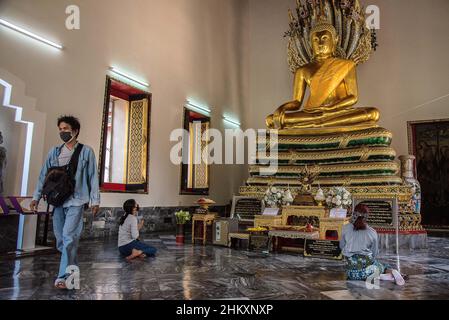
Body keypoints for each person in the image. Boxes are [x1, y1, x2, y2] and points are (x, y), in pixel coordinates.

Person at [30, 115, 100, 289]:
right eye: (60, 129)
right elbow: (43, 176)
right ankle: (73, 274)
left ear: (75, 131)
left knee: (69, 238)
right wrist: (35, 197)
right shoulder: (54, 152)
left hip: (76, 200)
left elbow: (93, 177)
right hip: (57, 201)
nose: (62, 132)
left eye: (66, 129)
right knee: (62, 241)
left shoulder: (86, 151)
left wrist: (95, 200)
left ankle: (64, 277)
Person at [340, 204, 406, 286]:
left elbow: (341, 246)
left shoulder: (345, 228)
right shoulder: (372, 232)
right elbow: (374, 253)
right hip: (368, 267)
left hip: (351, 272)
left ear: (354, 213)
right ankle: (388, 273)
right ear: (367, 217)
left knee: (359, 271)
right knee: (383, 266)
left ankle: (379, 276)